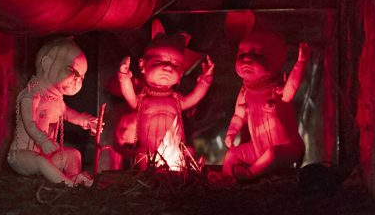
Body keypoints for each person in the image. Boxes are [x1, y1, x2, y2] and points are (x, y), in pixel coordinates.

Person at [117, 22, 213, 170]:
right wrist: (124, 77)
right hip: (147, 151)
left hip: (173, 150)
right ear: (142, 65)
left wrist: (205, 82)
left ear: (180, 74)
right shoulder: (142, 99)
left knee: (185, 156)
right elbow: (129, 95)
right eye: (160, 61)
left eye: (175, 65)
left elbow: (194, 97)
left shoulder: (176, 99)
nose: (168, 67)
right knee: (142, 159)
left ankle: (191, 170)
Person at [7, 37, 99, 186]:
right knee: (40, 161)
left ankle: (74, 177)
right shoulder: (31, 95)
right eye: (72, 71)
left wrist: (85, 120)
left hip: (47, 155)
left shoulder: (57, 101)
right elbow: (29, 123)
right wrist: (42, 140)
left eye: (81, 77)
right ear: (47, 64)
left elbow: (68, 113)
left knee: (73, 154)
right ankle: (70, 185)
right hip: (22, 156)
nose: (77, 81)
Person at [222, 30, 310, 180]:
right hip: (257, 149)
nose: (246, 60)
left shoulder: (277, 90)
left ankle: (250, 175)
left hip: (287, 148)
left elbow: (291, 89)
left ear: (276, 60)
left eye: (257, 55)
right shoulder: (245, 91)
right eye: (241, 54)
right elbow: (238, 115)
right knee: (231, 154)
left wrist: (300, 64)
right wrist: (231, 132)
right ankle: (228, 178)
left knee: (273, 154)